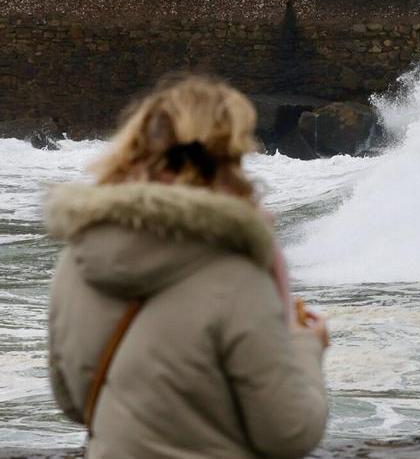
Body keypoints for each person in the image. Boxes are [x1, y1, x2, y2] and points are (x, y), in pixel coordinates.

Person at [45, 75, 329, 459]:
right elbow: (288, 433)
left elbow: (73, 403)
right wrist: (304, 344)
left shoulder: (78, 258)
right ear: (223, 159)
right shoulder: (236, 277)